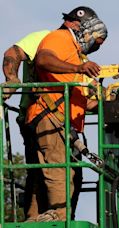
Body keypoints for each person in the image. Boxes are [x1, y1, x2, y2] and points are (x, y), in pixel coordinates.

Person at [23, 6, 107, 222]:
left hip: (65, 124)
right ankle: (60, 219)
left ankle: (42, 218)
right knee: (60, 172)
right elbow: (43, 59)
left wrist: (108, 100)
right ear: (74, 24)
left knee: (65, 175)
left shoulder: (75, 54)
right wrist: (79, 69)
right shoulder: (60, 38)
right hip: (51, 116)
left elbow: (83, 102)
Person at [2, 30, 51, 220]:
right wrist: (12, 79)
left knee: (64, 171)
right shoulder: (45, 38)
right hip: (37, 117)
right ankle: (38, 217)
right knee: (43, 169)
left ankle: (51, 215)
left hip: (60, 121)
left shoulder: (77, 53)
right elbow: (13, 52)